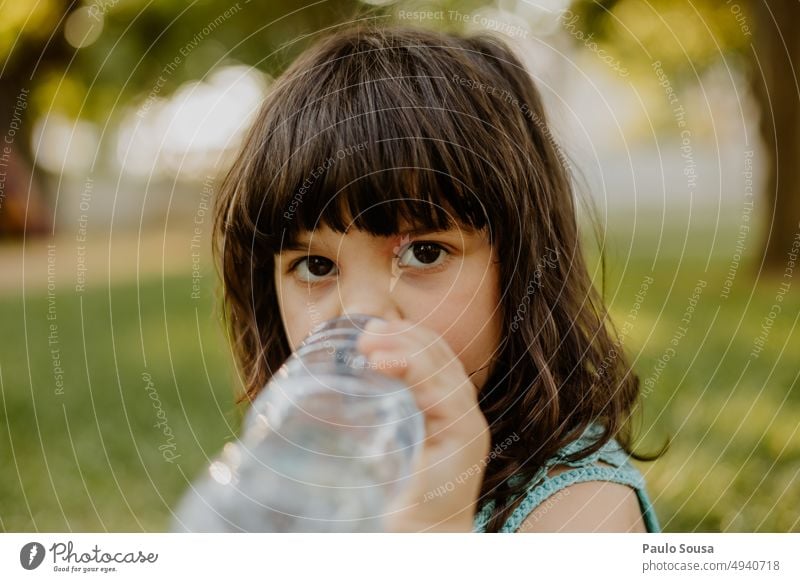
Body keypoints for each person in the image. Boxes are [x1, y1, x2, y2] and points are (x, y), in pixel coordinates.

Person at [212, 24, 661, 533]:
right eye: (316, 266)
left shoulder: (581, 509)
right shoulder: (318, 481)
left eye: (425, 253)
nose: (362, 313)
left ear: (522, 269)